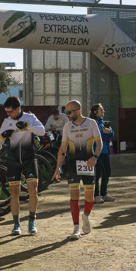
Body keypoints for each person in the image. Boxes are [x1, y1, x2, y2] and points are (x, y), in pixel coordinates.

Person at [0, 96, 45, 235]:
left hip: (29, 159)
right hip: (13, 160)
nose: (8, 113)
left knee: (33, 190)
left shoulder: (30, 117)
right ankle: (16, 224)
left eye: (10, 111)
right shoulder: (7, 121)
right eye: (6, 111)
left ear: (18, 109)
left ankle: (31, 221)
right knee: (14, 192)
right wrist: (3, 135)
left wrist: (28, 127)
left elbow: (42, 131)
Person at [53, 99, 102, 239]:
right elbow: (63, 148)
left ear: (78, 112)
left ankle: (85, 216)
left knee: (89, 197)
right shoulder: (67, 126)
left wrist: (95, 157)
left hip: (88, 163)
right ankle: (76, 228)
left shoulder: (91, 123)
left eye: (69, 112)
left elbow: (99, 143)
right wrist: (57, 168)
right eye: (65, 112)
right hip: (72, 164)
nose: (67, 115)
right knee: (74, 196)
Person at [90, 103, 115, 204]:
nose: (103, 111)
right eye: (101, 110)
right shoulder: (93, 123)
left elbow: (112, 133)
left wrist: (109, 132)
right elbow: (100, 137)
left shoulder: (103, 122)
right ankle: (96, 195)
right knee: (97, 174)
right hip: (97, 152)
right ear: (95, 112)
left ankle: (104, 193)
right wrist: (107, 133)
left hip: (105, 151)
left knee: (107, 172)